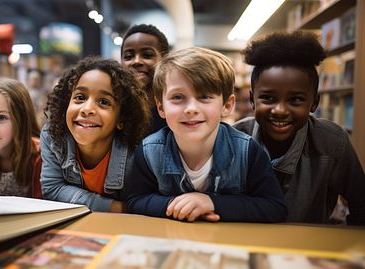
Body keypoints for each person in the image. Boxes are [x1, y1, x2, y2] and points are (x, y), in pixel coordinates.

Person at [123, 47, 287, 223]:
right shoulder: (149, 151)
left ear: (227, 105)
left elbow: (275, 207)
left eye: (204, 96)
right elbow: (135, 200)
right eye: (178, 97)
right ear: (161, 107)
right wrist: (176, 205)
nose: (191, 109)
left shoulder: (247, 151)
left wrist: (212, 202)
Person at [234, 31, 365, 225]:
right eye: (268, 98)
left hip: (307, 249)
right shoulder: (233, 139)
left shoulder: (333, 142)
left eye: (295, 100)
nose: (279, 110)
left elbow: (361, 205)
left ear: (314, 103)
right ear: (252, 100)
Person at [40, 57, 151, 212]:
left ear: (121, 118)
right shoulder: (52, 136)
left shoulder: (137, 153)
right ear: (66, 105)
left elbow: (141, 203)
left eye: (104, 102)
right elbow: (52, 189)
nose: (87, 109)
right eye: (80, 97)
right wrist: (115, 208)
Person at [121, 24, 169, 135]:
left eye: (147, 55)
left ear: (165, 60)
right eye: (128, 56)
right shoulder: (115, 111)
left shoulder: (173, 111)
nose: (136, 61)